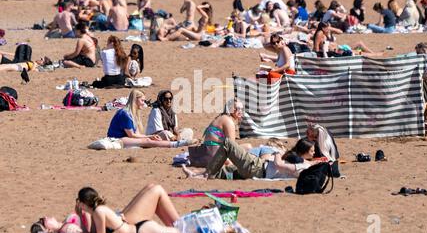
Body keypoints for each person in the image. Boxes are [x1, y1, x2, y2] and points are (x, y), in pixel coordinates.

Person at [67, 184, 181, 233]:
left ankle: (181, 224)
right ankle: (180, 224)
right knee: (155, 188)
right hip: (136, 227)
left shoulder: (97, 211)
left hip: (137, 228)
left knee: (155, 188)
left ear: (83, 203)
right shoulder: (95, 212)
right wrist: (81, 216)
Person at [183, 138, 321, 180]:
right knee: (225, 171)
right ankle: (195, 174)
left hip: (259, 168)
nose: (314, 153)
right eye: (312, 150)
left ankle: (206, 174)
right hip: (258, 167)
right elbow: (311, 163)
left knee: (227, 144)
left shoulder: (301, 166)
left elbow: (278, 165)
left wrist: (277, 152)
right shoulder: (304, 162)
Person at [107, 89, 195, 148]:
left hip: (129, 138)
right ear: (135, 100)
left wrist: (177, 135)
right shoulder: (125, 114)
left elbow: (136, 133)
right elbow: (132, 135)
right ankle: (177, 143)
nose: (144, 104)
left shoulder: (134, 114)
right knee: (149, 141)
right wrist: (150, 136)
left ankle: (177, 141)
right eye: (142, 101)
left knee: (188, 131)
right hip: (117, 139)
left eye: (170, 99)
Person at [187, 98, 248, 168]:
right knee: (248, 147)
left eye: (242, 109)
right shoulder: (228, 121)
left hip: (207, 153)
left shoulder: (221, 117)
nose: (240, 111)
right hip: (215, 155)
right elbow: (232, 146)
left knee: (246, 148)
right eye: (238, 108)